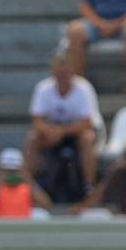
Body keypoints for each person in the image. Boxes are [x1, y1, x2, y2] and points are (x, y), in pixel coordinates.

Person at [24, 55, 98, 203]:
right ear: (53, 74)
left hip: (76, 134)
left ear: (73, 73)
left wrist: (62, 131)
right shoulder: (43, 88)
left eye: (66, 74)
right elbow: (37, 120)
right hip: (53, 134)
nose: (63, 78)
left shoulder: (84, 89)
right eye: (59, 75)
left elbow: (87, 122)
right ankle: (27, 185)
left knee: (88, 138)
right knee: (32, 138)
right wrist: (48, 131)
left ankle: (89, 186)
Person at [0, 148, 53, 219]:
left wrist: (29, 180)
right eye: (8, 171)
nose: (11, 174)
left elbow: (46, 205)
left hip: (24, 224)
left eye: (14, 171)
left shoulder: (27, 187)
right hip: (2, 225)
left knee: (42, 215)